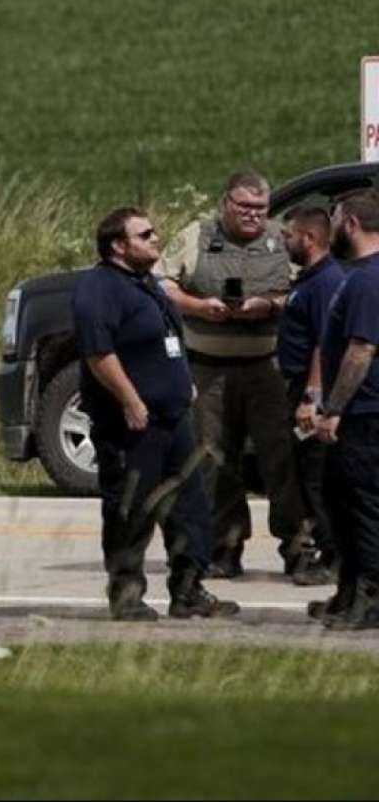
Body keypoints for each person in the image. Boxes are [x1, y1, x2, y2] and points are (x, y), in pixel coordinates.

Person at [73, 206, 239, 621]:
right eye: (145, 235)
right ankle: (127, 596)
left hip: (173, 418)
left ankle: (188, 591)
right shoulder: (98, 288)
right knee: (131, 509)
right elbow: (99, 354)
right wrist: (131, 401)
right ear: (118, 245)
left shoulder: (145, 283)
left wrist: (184, 382)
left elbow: (164, 339)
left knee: (190, 508)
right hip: (133, 424)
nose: (154, 239)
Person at [156, 169, 310, 582]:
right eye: (244, 207)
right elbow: (161, 283)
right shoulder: (196, 235)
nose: (253, 216)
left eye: (260, 208)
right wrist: (197, 305)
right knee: (215, 459)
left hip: (268, 368)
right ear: (225, 203)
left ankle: (297, 548)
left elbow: (308, 286)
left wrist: (271, 305)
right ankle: (225, 548)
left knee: (280, 461)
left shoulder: (282, 238)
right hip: (208, 369)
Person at [314, 189, 379, 630]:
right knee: (342, 505)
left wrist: (333, 408)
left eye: (335, 219)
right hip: (360, 413)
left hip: (364, 414)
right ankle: (349, 594)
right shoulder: (360, 276)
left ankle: (370, 601)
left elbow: (361, 350)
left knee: (364, 508)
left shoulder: (366, 280)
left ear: (351, 224)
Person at [276, 206, 343, 585]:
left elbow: (324, 341)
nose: (284, 242)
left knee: (318, 479)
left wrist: (312, 398)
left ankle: (334, 556)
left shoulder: (326, 282)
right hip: (296, 385)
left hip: (310, 389)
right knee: (307, 477)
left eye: (288, 236)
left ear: (309, 238)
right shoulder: (309, 278)